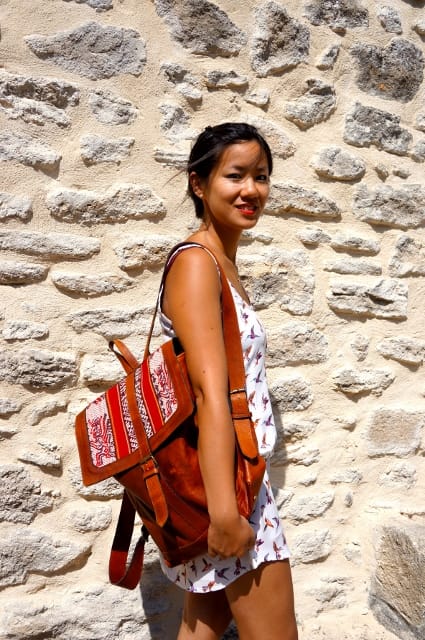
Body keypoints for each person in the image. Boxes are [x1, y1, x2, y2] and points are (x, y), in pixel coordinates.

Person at [159, 122, 298, 640]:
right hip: (230, 490)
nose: (251, 190)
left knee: (205, 624)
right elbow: (208, 394)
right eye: (235, 175)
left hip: (239, 479)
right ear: (199, 184)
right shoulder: (197, 264)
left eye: (261, 176)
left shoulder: (221, 262)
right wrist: (224, 513)